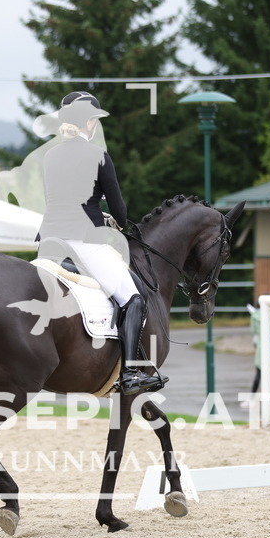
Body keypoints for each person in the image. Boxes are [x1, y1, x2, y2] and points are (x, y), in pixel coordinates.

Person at [33, 91, 165, 396]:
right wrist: (113, 218)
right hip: (82, 240)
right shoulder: (98, 155)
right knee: (133, 298)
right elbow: (120, 210)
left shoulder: (49, 156)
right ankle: (130, 372)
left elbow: (60, 200)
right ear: (90, 123)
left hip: (49, 240)